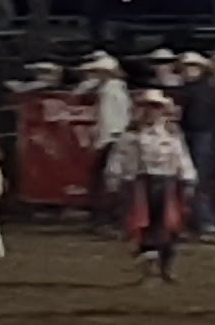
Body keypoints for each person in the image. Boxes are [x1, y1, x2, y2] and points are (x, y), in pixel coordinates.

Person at [106, 89, 196, 282]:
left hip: (166, 182)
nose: (150, 112)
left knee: (168, 226)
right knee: (142, 226)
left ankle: (165, 268)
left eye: (155, 107)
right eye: (147, 107)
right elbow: (118, 158)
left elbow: (181, 156)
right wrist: (113, 178)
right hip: (139, 183)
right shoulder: (130, 135)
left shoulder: (171, 134)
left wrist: (188, 179)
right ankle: (148, 270)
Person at [78, 54, 131, 225]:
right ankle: (111, 217)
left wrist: (102, 140)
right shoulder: (117, 89)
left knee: (104, 180)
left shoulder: (109, 91)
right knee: (111, 179)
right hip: (116, 137)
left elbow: (108, 119)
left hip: (111, 138)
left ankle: (104, 218)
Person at [176, 51, 215, 235]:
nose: (188, 71)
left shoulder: (202, 91)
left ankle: (203, 219)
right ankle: (197, 219)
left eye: (192, 67)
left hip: (201, 137)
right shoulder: (202, 90)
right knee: (192, 179)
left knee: (198, 179)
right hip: (194, 136)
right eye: (186, 68)